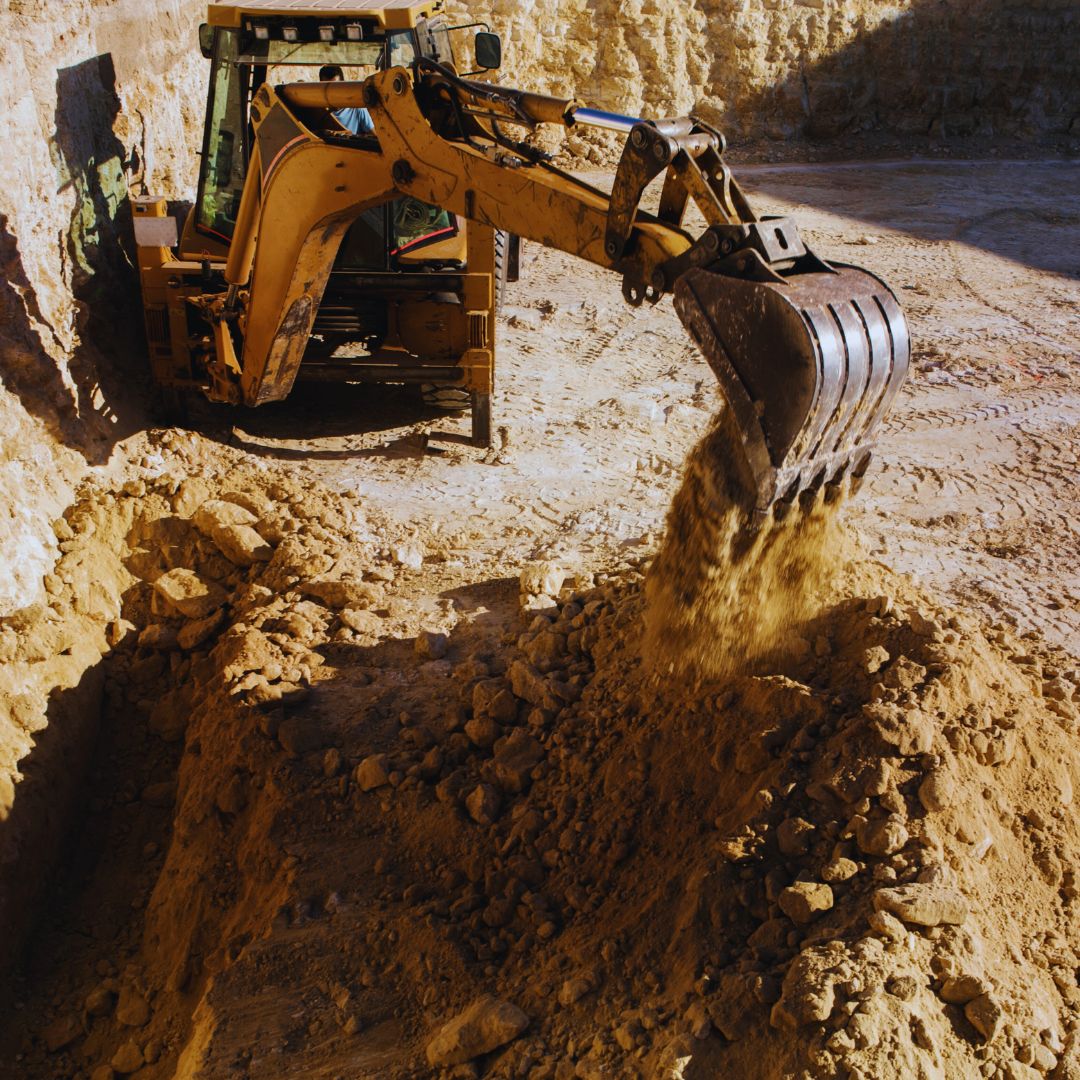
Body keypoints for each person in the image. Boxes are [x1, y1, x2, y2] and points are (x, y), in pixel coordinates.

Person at [318, 64, 374, 135]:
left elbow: (376, 138)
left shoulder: (357, 109)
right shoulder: (318, 110)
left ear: (342, 85)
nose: (332, 92)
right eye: (326, 88)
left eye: (335, 87)